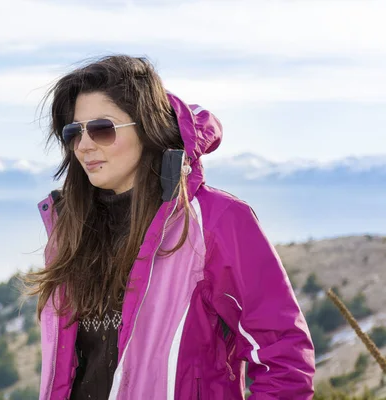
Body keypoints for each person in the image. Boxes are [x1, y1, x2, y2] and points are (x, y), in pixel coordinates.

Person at [21, 55, 315, 399]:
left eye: (102, 129)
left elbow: (285, 359)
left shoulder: (217, 221)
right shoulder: (69, 228)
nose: (84, 145)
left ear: (147, 129)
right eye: (74, 132)